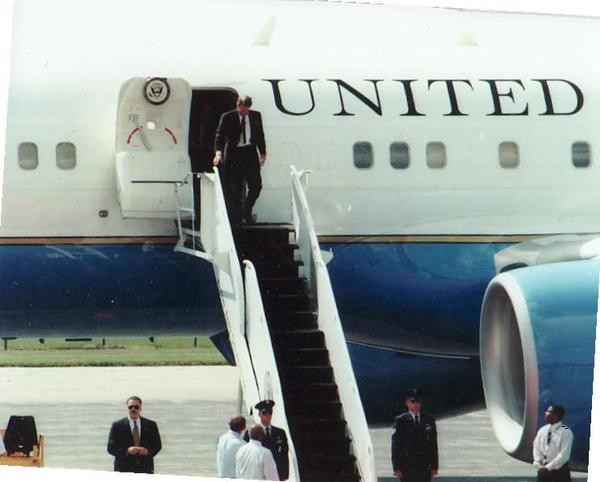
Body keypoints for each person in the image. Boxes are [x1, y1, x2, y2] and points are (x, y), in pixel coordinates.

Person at [213, 95, 266, 226]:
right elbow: (219, 136)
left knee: (256, 186)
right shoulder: (227, 117)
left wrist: (263, 152)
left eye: (246, 110)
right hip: (234, 154)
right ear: (238, 106)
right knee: (235, 190)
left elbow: (259, 135)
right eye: (242, 110)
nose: (244, 112)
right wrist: (218, 153)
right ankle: (237, 219)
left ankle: (246, 210)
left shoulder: (255, 116)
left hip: (250, 153)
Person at [391, 388, 439, 482]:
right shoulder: (401, 421)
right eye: (413, 401)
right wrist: (396, 467)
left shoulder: (429, 420)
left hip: (425, 466)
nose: (416, 404)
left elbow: (433, 445)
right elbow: (396, 446)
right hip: (407, 466)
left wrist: (435, 466)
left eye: (418, 401)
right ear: (407, 403)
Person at [107, 395, 162, 474]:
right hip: (123, 470)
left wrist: (147, 451)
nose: (133, 409)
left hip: (145, 469)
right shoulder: (117, 425)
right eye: (130, 407)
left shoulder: (150, 425)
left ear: (140, 408)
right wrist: (127, 451)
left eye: (136, 407)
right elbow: (111, 448)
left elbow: (157, 445)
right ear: (127, 408)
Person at [243, 399, 289, 480]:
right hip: (259, 473)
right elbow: (246, 453)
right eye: (264, 413)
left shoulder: (280, 432)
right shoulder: (251, 433)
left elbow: (284, 455)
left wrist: (284, 475)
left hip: (276, 474)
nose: (268, 415)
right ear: (259, 414)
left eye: (270, 412)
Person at [533, 404, 573, 482]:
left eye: (549, 411)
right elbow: (536, 447)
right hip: (543, 469)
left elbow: (564, 455)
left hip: (559, 470)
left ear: (556, 415)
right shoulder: (543, 430)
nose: (546, 413)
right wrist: (538, 463)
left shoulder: (566, 432)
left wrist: (548, 467)